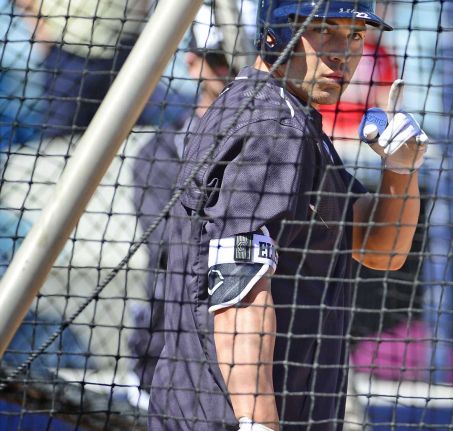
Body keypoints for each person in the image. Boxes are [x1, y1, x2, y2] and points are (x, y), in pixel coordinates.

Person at [148, 1, 427, 430]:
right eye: (324, 31)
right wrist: (258, 420)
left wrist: (401, 172)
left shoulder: (287, 117)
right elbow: (240, 288)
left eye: (355, 35)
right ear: (276, 32)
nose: (343, 53)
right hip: (230, 415)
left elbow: (379, 249)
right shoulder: (273, 126)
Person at [128, 4, 250, 398]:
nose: (233, 70)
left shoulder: (276, 145)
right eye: (220, 60)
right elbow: (173, 245)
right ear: (193, 63)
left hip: (250, 357)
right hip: (167, 354)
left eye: (241, 59)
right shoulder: (159, 154)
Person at [13, 0, 194, 137]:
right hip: (69, 53)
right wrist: (38, 27)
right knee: (62, 135)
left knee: (128, 133)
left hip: (128, 51)